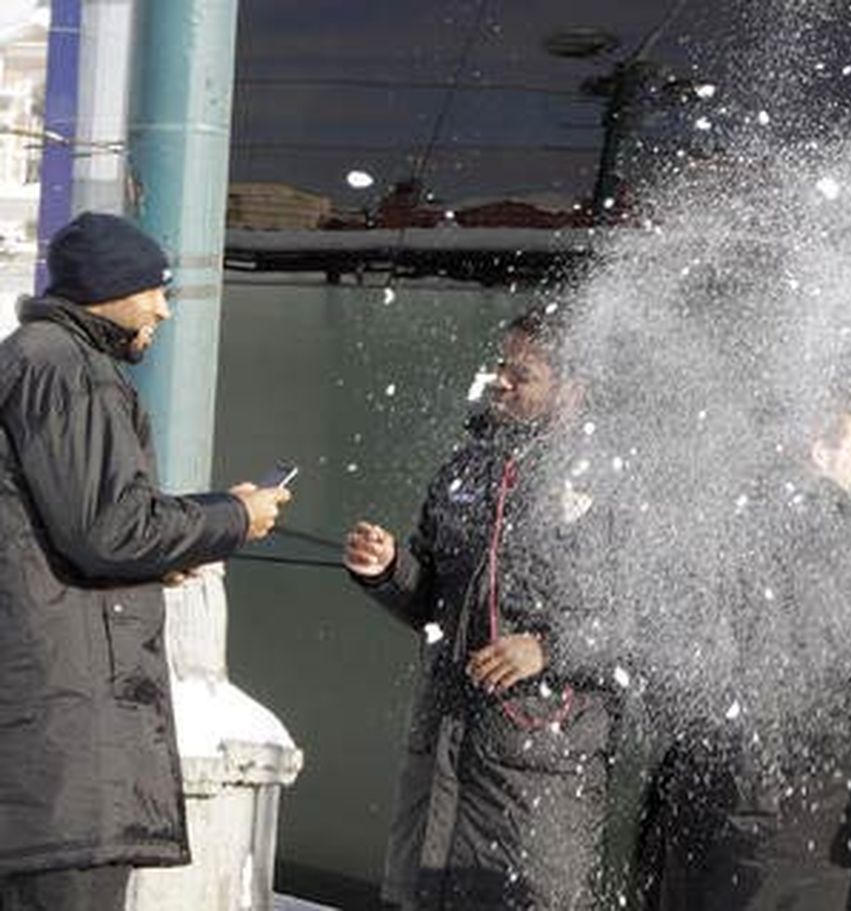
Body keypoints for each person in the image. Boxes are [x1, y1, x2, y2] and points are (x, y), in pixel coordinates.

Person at [0, 212, 290, 911]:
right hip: (62, 749)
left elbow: (60, 531)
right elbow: (109, 529)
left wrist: (161, 556)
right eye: (154, 290)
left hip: (40, 743)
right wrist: (232, 517)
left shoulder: (31, 358)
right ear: (110, 289)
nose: (162, 308)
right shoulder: (70, 369)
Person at [343, 310, 612, 910]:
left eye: (523, 374)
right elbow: (434, 606)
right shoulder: (466, 468)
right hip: (442, 757)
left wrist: (547, 648)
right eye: (500, 367)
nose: (501, 383)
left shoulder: (610, 485)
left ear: (570, 390)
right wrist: (388, 572)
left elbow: (645, 626)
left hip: (535, 776)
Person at [639, 402, 851, 911]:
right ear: (820, 454)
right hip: (794, 821)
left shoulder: (714, 526)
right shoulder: (839, 549)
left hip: (700, 802)